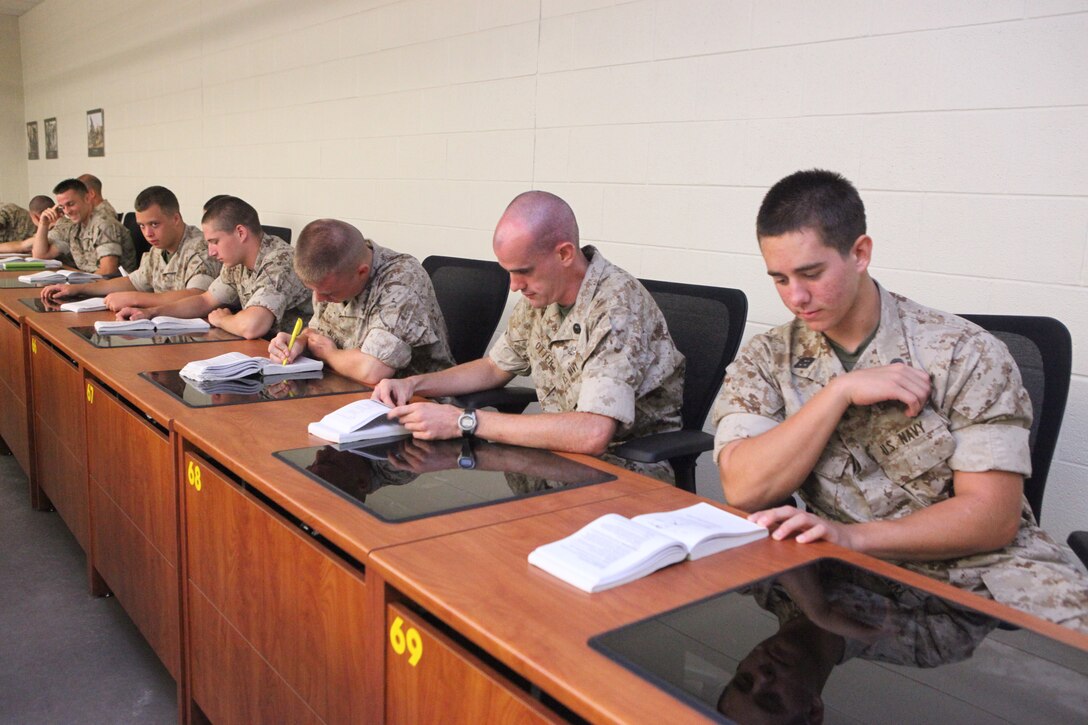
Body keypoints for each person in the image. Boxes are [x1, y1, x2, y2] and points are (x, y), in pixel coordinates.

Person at [711, 168, 1088, 630]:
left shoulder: (964, 351)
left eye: (811, 273)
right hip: (853, 583)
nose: (797, 297)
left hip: (992, 574)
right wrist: (838, 393)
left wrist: (852, 538)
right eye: (780, 279)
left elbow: (993, 518)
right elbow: (744, 487)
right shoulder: (768, 358)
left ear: (860, 253)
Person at [372, 190, 684, 480]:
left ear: (563, 254)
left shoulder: (615, 306)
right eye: (509, 271)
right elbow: (494, 367)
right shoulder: (542, 297)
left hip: (623, 474)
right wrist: (413, 382)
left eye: (523, 271)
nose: (514, 285)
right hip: (554, 462)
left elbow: (593, 432)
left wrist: (462, 420)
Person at [267, 218, 453, 385]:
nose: (319, 299)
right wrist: (299, 342)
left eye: (329, 293)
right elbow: (319, 333)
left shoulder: (402, 280)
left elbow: (372, 370)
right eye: (313, 290)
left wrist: (329, 354)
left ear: (361, 272)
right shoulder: (334, 276)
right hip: (346, 386)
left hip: (418, 401)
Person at [116, 196, 310, 339]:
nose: (211, 252)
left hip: (305, 361)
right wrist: (151, 313)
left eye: (214, 241)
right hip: (270, 350)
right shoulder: (236, 261)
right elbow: (204, 301)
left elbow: (252, 326)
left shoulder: (278, 261)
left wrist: (222, 320)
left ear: (240, 233)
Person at [40, 186, 220, 310]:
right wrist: (79, 289)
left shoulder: (200, 247)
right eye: (142, 226)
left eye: (154, 224)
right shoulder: (159, 248)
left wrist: (136, 299)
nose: (148, 233)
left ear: (175, 218)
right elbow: (133, 282)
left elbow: (197, 295)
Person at [30, 178, 137, 275]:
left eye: (71, 204)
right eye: (62, 207)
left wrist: (80, 287)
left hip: (110, 288)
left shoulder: (104, 225)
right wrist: (43, 224)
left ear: (87, 198)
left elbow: (108, 270)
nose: (67, 211)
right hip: (90, 283)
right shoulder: (75, 227)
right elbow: (40, 256)